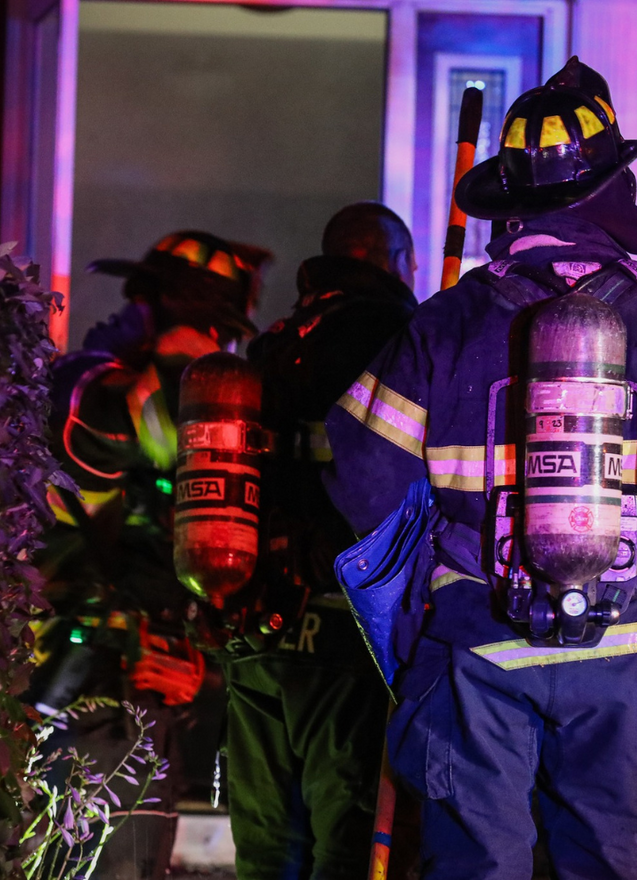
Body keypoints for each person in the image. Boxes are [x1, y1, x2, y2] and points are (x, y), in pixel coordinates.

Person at [323, 57, 637, 880]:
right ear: (614, 190)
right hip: (630, 647)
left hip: (478, 645)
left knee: (475, 864)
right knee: (610, 862)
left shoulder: (443, 323)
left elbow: (359, 479)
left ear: (512, 201)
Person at [30, 229, 269, 880]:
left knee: (146, 863)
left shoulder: (146, 395)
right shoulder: (96, 388)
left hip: (159, 703)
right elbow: (92, 440)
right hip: (98, 690)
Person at [200, 201, 418, 880]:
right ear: (395, 262)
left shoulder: (274, 340)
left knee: (266, 845)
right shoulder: (396, 340)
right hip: (342, 631)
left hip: (256, 625)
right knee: (346, 842)